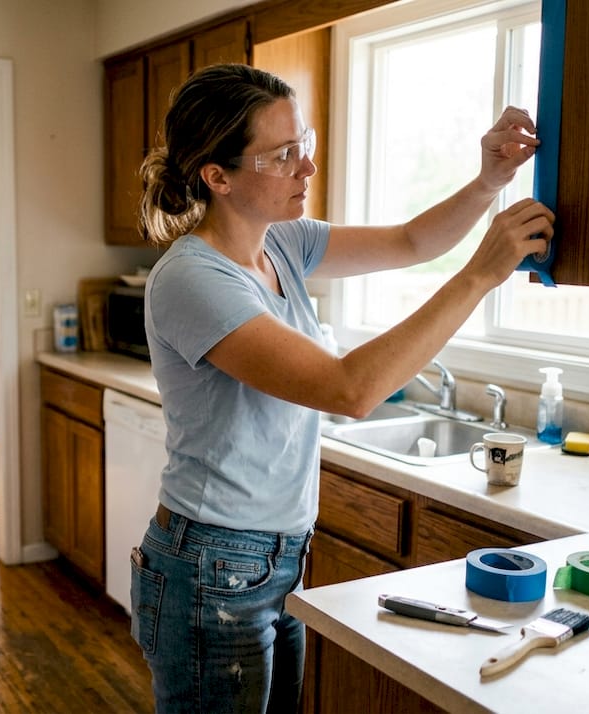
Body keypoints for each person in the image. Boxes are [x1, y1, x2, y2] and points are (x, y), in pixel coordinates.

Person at [129, 63, 554, 713]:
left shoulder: (284, 245)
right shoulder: (193, 279)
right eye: (283, 155)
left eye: (307, 145)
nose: (307, 168)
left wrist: (488, 181)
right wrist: (478, 277)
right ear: (218, 177)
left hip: (278, 553)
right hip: (214, 566)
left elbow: (412, 241)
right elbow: (349, 388)